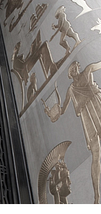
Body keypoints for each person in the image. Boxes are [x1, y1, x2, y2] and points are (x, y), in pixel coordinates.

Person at [61, 60, 101, 207]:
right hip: (88, 118)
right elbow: (62, 109)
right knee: (96, 154)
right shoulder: (71, 89)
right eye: (73, 68)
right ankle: (97, 197)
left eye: (76, 67)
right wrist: (53, 113)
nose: (75, 69)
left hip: (98, 108)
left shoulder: (88, 70)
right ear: (70, 73)